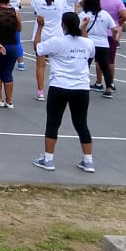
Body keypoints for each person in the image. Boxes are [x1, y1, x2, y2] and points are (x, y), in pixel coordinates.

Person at [32, 12, 96, 172]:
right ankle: (88, 161)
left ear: (63, 25)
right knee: (81, 124)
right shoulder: (87, 43)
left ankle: (48, 159)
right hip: (81, 88)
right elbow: (91, 53)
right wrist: (83, 29)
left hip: (60, 85)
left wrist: (40, 27)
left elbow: (37, 48)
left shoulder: (57, 42)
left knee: (53, 122)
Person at [80, 0, 117, 98]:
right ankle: (108, 88)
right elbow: (114, 28)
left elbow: (78, 27)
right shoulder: (105, 14)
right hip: (103, 43)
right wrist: (114, 37)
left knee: (85, 65)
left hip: (88, 42)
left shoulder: (83, 14)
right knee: (105, 66)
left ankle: (83, 84)